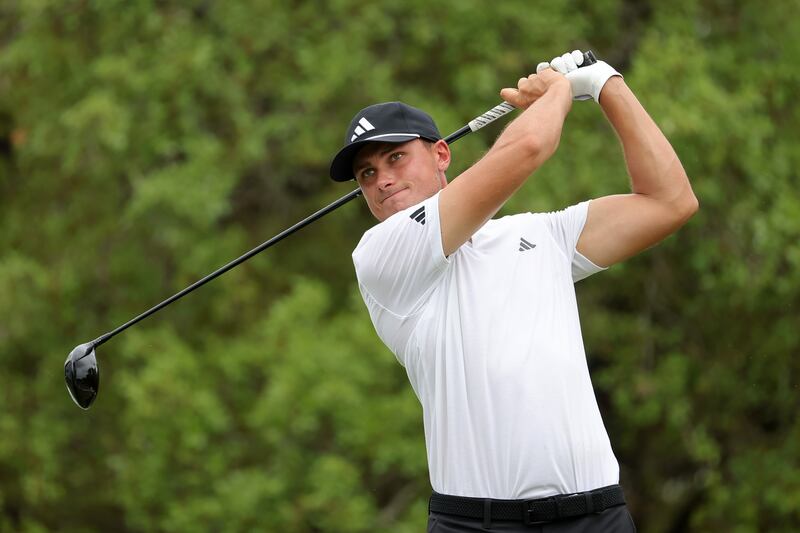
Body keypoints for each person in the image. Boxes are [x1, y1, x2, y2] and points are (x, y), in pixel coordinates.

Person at [329, 50, 698, 532]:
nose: (383, 181)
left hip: (596, 518)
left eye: (395, 157)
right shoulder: (381, 256)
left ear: (441, 154)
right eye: (367, 174)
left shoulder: (541, 236)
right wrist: (560, 90)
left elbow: (670, 201)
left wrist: (606, 84)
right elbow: (528, 148)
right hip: (477, 524)